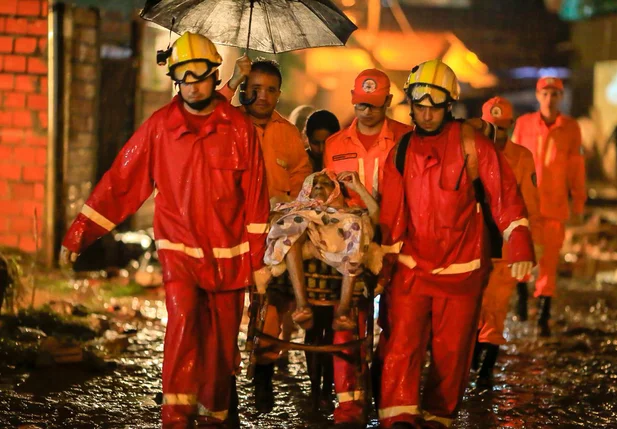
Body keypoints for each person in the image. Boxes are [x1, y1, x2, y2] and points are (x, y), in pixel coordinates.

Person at [59, 33, 270, 429]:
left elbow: (257, 200)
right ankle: (175, 417)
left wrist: (259, 263)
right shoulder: (160, 128)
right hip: (180, 252)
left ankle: (214, 416)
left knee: (223, 348)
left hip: (229, 257)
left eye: (200, 75)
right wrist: (80, 233)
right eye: (183, 75)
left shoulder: (239, 129)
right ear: (174, 78)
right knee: (183, 326)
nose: (192, 83)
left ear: (214, 75)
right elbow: (122, 182)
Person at [378, 59, 534, 429]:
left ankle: (437, 416)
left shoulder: (473, 145)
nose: (427, 114)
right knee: (401, 344)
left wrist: (521, 243)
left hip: (462, 270)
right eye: (420, 106)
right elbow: (391, 219)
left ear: (449, 105)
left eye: (435, 106)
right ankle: (397, 415)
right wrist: (380, 265)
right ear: (410, 105)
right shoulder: (400, 152)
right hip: (412, 269)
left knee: (452, 353)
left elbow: (504, 195)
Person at [222, 55, 313, 411]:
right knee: (226, 310)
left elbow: (302, 186)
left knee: (272, 308)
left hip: (274, 238)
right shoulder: (227, 123)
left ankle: (263, 375)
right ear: (244, 89)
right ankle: (223, 382)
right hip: (229, 234)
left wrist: (285, 201)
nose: (262, 96)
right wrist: (231, 80)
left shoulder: (288, 135)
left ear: (279, 94)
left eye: (270, 90)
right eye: (255, 88)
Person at [323, 68, 413, 427]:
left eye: (374, 105)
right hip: (350, 250)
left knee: (399, 325)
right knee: (346, 322)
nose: (367, 111)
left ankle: (394, 406)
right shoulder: (335, 145)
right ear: (351, 99)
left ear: (388, 102)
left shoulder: (406, 140)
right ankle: (349, 408)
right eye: (361, 104)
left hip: (400, 241)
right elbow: (327, 198)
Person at [469, 97, 543, 381]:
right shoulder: (469, 152)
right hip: (472, 246)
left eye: (501, 128)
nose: (497, 134)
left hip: (504, 247)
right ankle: (474, 361)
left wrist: (528, 245)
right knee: (473, 307)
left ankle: (485, 372)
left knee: (495, 309)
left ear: (510, 126)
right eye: (491, 127)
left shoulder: (522, 157)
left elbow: (531, 205)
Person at [512, 76, 586, 336]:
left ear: (561, 98)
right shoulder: (523, 124)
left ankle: (543, 312)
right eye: (545, 93)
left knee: (549, 262)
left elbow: (577, 167)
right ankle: (521, 295)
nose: (549, 98)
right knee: (522, 254)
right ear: (537, 95)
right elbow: (514, 162)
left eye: (555, 94)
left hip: (554, 207)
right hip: (527, 205)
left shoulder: (570, 128)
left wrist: (578, 200)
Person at [265, 170, 380, 331]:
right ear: (306, 190)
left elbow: (376, 217)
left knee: (356, 224)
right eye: (314, 184)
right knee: (292, 223)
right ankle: (302, 305)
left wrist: (358, 187)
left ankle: (343, 311)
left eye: (326, 183)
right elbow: (275, 214)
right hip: (300, 262)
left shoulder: (348, 211)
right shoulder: (296, 208)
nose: (318, 186)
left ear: (336, 190)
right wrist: (310, 248)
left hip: (339, 260)